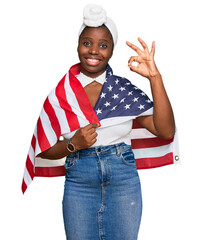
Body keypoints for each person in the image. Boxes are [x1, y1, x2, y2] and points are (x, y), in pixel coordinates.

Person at [23, 4, 176, 240]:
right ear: (77, 45)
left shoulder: (123, 90)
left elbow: (165, 131)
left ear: (112, 51)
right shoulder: (61, 94)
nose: (94, 51)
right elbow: (43, 150)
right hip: (79, 183)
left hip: (123, 180)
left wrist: (155, 77)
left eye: (103, 45)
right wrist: (73, 145)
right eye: (87, 43)